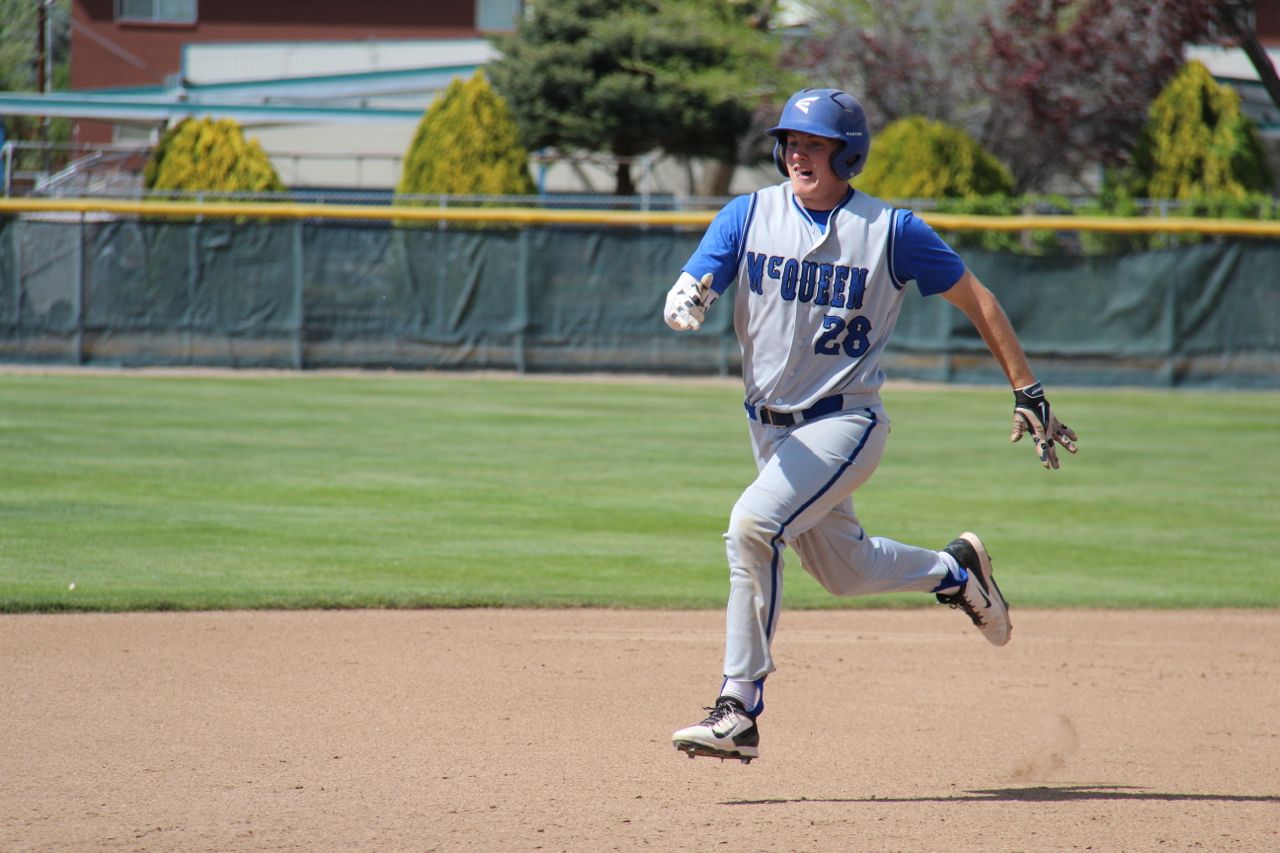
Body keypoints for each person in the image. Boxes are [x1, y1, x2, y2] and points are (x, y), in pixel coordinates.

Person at [663, 88, 1078, 765]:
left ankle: (738, 707)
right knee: (845, 572)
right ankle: (955, 571)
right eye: (791, 142)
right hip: (770, 431)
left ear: (848, 154)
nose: (799, 154)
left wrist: (1027, 389)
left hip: (845, 421)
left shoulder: (890, 230)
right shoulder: (749, 213)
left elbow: (978, 298)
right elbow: (702, 272)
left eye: (815, 144)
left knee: (751, 526)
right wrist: (690, 289)